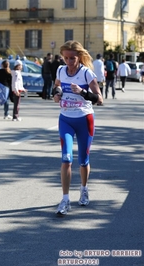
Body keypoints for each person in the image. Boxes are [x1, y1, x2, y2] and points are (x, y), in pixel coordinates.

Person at [52, 40, 103, 216]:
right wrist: (57, 94)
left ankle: (83, 188)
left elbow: (100, 99)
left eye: (72, 58)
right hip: (65, 119)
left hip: (84, 119)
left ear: (79, 57)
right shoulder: (60, 70)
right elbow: (57, 86)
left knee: (83, 160)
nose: (69, 62)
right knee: (66, 158)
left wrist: (82, 92)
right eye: (66, 58)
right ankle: (65, 199)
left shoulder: (86, 73)